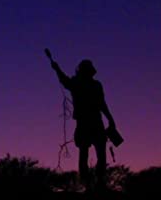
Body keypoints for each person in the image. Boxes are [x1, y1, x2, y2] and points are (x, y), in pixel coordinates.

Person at [47, 50, 116, 189]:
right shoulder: (84, 84)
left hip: (92, 122)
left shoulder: (89, 84)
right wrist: (56, 68)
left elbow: (102, 103)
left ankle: (95, 182)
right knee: (89, 153)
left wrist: (110, 119)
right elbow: (64, 80)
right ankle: (91, 183)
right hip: (89, 122)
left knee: (93, 154)